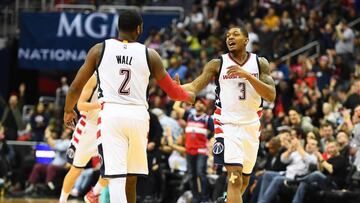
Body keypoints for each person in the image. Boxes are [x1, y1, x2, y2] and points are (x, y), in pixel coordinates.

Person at [63, 10, 194, 203]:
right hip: (139, 117)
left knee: (116, 179)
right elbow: (173, 93)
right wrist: (187, 95)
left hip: (111, 116)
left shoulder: (99, 49)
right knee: (131, 178)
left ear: (118, 28)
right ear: (139, 29)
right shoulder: (151, 54)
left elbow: (75, 86)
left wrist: (68, 110)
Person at [182, 26, 276, 203]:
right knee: (235, 176)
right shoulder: (217, 64)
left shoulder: (260, 63)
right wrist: (176, 88)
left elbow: (271, 95)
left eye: (235, 34)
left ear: (246, 40)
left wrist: (246, 75)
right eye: (227, 35)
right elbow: (194, 87)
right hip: (227, 125)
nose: (229, 38)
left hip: (251, 125)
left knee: (245, 179)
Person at [59, 74, 108, 203]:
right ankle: (62, 200)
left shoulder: (117, 77)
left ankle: (94, 194)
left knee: (113, 169)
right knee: (76, 170)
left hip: (106, 129)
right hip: (88, 129)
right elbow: (80, 105)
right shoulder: (94, 77)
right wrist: (100, 105)